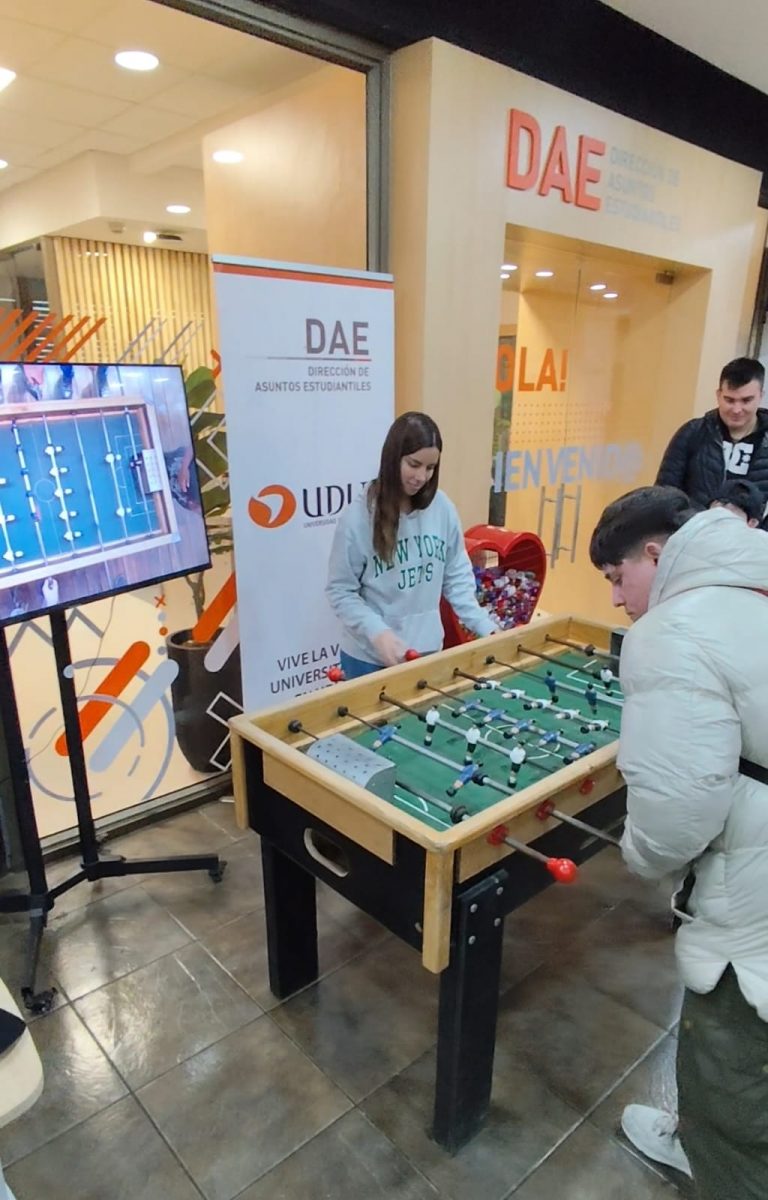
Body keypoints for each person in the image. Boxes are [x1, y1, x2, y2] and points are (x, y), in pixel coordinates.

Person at [589, 485, 768, 1199]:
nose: (615, 600)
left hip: (752, 905)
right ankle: (699, 1132)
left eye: (616, 578)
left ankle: (718, 1157)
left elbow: (674, 820)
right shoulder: (754, 577)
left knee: (729, 1059)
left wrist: (636, 852)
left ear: (657, 555)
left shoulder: (670, 631)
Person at [326, 411, 496, 677]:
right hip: (369, 660)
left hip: (428, 653)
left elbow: (456, 576)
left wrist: (485, 626)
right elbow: (340, 591)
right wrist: (377, 632)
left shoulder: (443, 508)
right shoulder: (357, 518)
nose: (421, 477)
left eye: (430, 468)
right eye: (413, 464)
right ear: (393, 458)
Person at [655, 357, 768, 524]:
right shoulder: (692, 433)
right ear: (718, 395)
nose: (737, 409)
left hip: (752, 545)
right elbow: (664, 495)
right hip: (695, 538)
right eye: (729, 400)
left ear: (761, 396)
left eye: (746, 400)